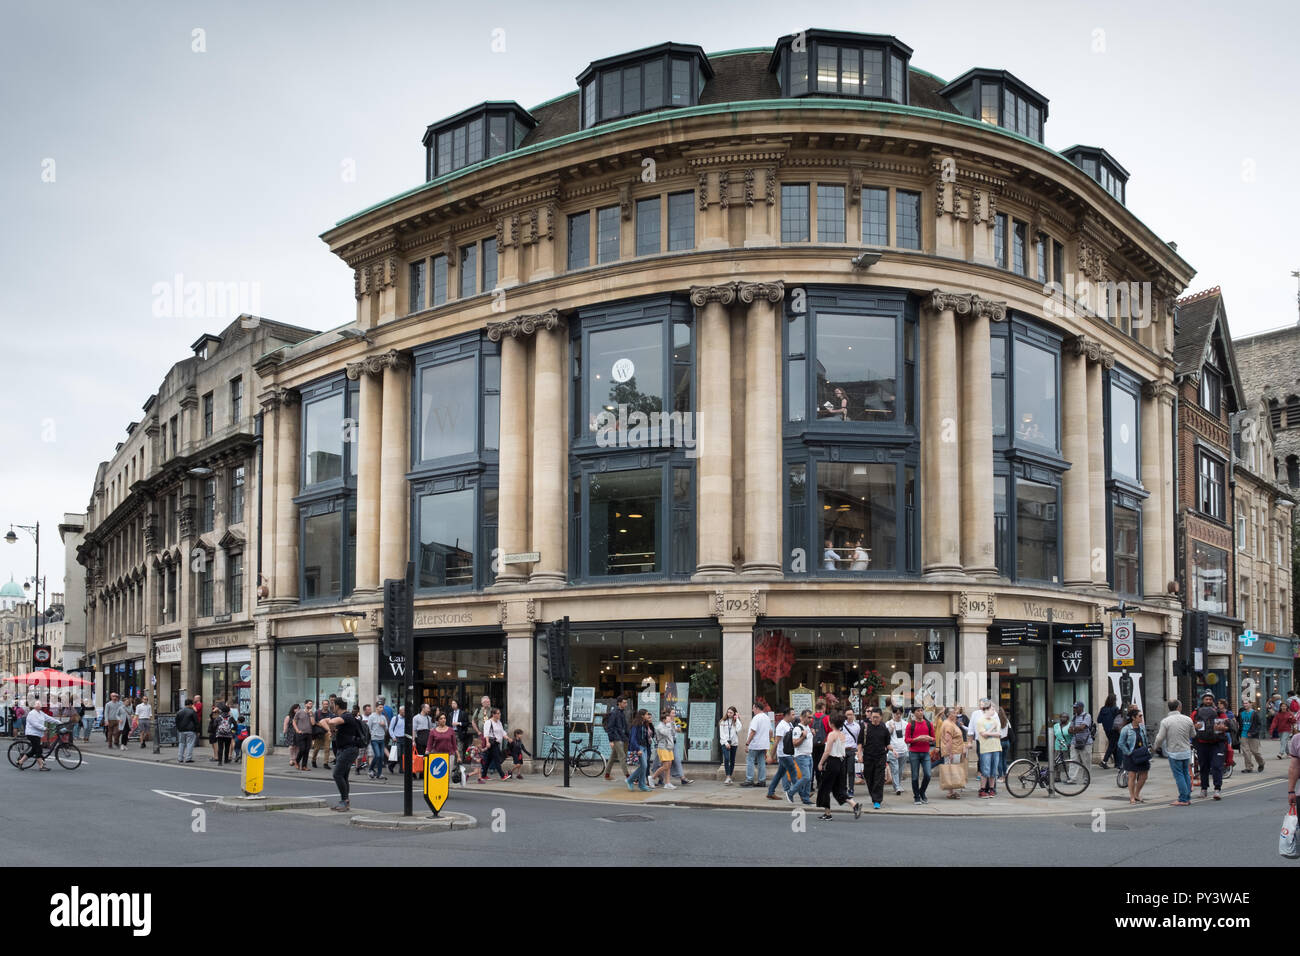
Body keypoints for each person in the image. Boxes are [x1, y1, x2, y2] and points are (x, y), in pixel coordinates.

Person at [318, 697, 367, 811]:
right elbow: (323, 722)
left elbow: (327, 721)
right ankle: (345, 801)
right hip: (344, 749)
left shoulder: (347, 716)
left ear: (337, 706)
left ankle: (344, 801)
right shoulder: (342, 717)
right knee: (343, 776)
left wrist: (329, 725)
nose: (331, 707)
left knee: (337, 774)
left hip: (349, 749)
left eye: (333, 705)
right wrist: (330, 730)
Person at [815, 714, 863, 821]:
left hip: (832, 762)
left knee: (825, 787)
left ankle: (828, 813)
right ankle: (854, 805)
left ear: (831, 723)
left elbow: (827, 751)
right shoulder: (842, 735)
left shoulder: (832, 734)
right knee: (838, 788)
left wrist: (820, 763)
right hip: (841, 762)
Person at [1154, 699, 1194, 806]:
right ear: (1179, 707)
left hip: (1174, 752)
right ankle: (1187, 797)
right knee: (1185, 773)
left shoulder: (1165, 721)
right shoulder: (1188, 719)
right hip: (1186, 751)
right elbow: (1193, 734)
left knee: (1179, 775)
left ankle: (1183, 799)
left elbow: (1160, 738)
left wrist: (1154, 747)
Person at [1193, 692, 1226, 799]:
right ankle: (1204, 789)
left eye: (1210, 699)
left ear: (1213, 701)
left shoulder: (1219, 712)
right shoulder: (1196, 712)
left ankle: (1217, 789)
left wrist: (1222, 727)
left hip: (1217, 743)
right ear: (1202, 700)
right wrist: (1195, 726)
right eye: (1206, 699)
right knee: (1203, 767)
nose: (1208, 701)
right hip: (1202, 743)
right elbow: (1190, 725)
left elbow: (1226, 724)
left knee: (1217, 766)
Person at [859, 707, 891, 809]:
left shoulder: (884, 728)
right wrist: (859, 755)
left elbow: (887, 743)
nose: (875, 719)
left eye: (877, 717)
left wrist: (893, 750)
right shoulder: (865, 728)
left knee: (879, 779)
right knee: (869, 777)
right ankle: (874, 796)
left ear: (881, 717)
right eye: (873, 717)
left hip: (881, 756)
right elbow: (859, 743)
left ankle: (877, 800)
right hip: (868, 757)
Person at [1117, 707, 1150, 804]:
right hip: (1131, 755)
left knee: (1144, 775)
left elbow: (1145, 740)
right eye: (1140, 716)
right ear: (1133, 717)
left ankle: (1137, 794)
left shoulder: (1142, 727)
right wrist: (1128, 752)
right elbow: (1120, 743)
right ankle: (1132, 797)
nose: (1141, 718)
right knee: (1132, 776)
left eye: (1141, 716)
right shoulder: (1126, 729)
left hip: (1142, 754)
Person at [767, 707, 799, 801]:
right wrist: (771, 756)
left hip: (788, 753)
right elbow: (776, 742)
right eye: (792, 714)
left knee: (779, 774)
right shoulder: (781, 726)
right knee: (793, 773)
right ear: (787, 715)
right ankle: (803, 794)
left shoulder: (789, 724)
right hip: (784, 754)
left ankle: (770, 792)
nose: (794, 716)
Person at [904, 709, 935, 805]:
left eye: (922, 710)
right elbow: (906, 739)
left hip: (926, 752)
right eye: (918, 711)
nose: (920, 712)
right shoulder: (910, 725)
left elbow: (934, 738)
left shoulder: (929, 724)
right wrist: (917, 739)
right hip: (914, 753)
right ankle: (916, 796)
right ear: (914, 713)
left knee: (928, 774)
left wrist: (930, 738)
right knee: (914, 776)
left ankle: (922, 791)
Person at [974, 698, 1003, 797]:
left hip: (996, 747)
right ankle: (982, 790)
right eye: (992, 709)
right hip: (986, 749)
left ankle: (991, 789)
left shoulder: (996, 721)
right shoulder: (980, 721)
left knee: (993, 770)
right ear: (986, 709)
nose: (994, 711)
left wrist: (989, 732)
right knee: (985, 770)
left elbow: (999, 733)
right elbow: (983, 734)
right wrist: (991, 729)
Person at [939, 706, 967, 799]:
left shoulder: (952, 723)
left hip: (956, 750)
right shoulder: (948, 724)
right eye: (954, 713)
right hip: (952, 751)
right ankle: (950, 792)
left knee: (953, 770)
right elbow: (948, 740)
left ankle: (952, 791)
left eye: (955, 712)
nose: (956, 714)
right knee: (951, 770)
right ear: (949, 714)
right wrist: (950, 753)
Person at [789, 709, 816, 805]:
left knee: (809, 779)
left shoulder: (808, 728)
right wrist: (803, 736)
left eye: (811, 717)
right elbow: (795, 743)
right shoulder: (798, 729)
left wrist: (811, 734)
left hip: (809, 755)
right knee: (806, 777)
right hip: (801, 755)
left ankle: (805, 798)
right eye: (809, 717)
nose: (810, 719)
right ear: (803, 717)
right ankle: (791, 792)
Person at [21, 699, 55, 771]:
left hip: (37, 734)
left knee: (34, 750)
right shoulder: (31, 713)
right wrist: (44, 728)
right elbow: (35, 724)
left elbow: (49, 718)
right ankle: (41, 766)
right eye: (37, 704)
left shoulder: (41, 713)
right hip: (32, 734)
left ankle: (20, 762)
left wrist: (59, 722)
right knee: (38, 749)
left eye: (40, 704)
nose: (40, 705)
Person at [743, 701, 770, 787]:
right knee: (761, 762)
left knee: (750, 760)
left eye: (753, 708)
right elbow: (771, 732)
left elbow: (753, 731)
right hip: (763, 744)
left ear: (757, 708)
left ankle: (749, 779)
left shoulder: (756, 718)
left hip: (755, 743)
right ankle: (762, 781)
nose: (752, 710)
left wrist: (747, 743)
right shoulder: (767, 717)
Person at [479, 707, 509, 782]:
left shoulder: (499, 722)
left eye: (500, 713)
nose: (500, 715)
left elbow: (502, 732)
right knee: (497, 759)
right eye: (498, 713)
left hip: (496, 743)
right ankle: (502, 775)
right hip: (492, 743)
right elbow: (486, 733)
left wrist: (507, 738)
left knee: (488, 760)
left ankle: (483, 775)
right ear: (493, 714)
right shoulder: (488, 722)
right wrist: (487, 742)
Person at [626, 710, 653, 792]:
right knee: (644, 766)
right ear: (642, 716)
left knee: (644, 767)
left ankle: (642, 785)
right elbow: (633, 738)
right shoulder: (636, 725)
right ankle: (630, 780)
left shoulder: (644, 724)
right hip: (639, 747)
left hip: (645, 747)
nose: (648, 716)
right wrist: (637, 749)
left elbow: (648, 737)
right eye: (647, 714)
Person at [605, 695, 630, 782]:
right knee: (622, 757)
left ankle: (607, 775)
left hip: (621, 737)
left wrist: (627, 737)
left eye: (626, 702)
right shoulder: (614, 712)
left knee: (612, 757)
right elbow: (610, 727)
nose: (626, 704)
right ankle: (628, 777)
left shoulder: (621, 712)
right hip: (616, 738)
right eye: (624, 702)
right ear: (619, 703)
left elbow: (624, 726)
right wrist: (611, 740)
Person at [884, 706, 908, 797]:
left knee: (900, 770)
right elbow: (886, 737)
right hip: (893, 750)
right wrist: (891, 729)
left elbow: (907, 736)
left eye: (899, 713)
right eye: (896, 713)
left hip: (903, 749)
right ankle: (897, 787)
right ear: (892, 713)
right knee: (895, 769)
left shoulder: (905, 724)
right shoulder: (888, 723)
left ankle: (898, 785)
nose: (898, 715)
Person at [1068, 701, 1094, 781]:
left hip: (1086, 742)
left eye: (1076, 707)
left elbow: (1082, 728)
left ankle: (1086, 778)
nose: (1074, 709)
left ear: (1081, 708)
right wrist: (1076, 729)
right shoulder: (1074, 717)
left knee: (1086, 761)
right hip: (1074, 741)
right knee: (1073, 760)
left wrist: (1074, 729)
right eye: (1074, 707)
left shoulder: (1087, 716)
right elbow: (1069, 730)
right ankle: (1072, 778)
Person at [1239, 698, 1266, 773]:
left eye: (1246, 703)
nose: (1245, 705)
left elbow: (1259, 725)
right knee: (1246, 751)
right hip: (1243, 734)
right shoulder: (1241, 713)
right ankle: (1249, 767)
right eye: (1244, 703)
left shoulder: (1254, 713)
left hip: (1253, 735)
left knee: (1255, 751)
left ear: (1250, 704)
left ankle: (1261, 763)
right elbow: (1240, 724)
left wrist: (1253, 732)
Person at [652, 709, 677, 790]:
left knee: (669, 765)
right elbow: (665, 733)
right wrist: (669, 725)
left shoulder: (668, 725)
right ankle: (652, 778)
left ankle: (667, 783)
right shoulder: (659, 726)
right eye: (668, 718)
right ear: (664, 720)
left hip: (669, 747)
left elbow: (673, 733)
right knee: (665, 766)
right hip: (663, 747)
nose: (669, 719)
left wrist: (673, 726)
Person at [718, 706, 741, 785]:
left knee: (732, 760)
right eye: (728, 712)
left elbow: (739, 729)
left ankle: (729, 777)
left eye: (731, 712)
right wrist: (726, 743)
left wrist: (737, 718)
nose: (729, 714)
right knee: (727, 759)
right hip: (725, 743)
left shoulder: (735, 722)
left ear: (734, 713)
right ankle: (727, 776)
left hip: (734, 743)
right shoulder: (723, 722)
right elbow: (722, 734)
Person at [1097, 693, 1121, 770]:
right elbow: (1118, 719)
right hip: (1114, 729)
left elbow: (1099, 720)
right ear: (1114, 701)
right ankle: (1104, 761)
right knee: (1112, 745)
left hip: (1107, 730)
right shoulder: (1115, 708)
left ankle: (1117, 763)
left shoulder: (1103, 709)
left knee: (1114, 745)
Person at [841, 708, 862, 798]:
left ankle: (851, 789)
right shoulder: (841, 726)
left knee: (851, 771)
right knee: (842, 771)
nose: (850, 716)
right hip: (842, 750)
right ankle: (844, 788)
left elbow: (858, 739)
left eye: (851, 714)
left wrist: (858, 751)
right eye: (848, 714)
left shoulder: (857, 726)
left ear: (854, 715)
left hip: (852, 750)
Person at [366, 703, 389, 780]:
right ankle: (370, 769)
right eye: (380, 707)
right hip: (374, 739)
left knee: (381, 757)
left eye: (382, 707)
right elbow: (368, 727)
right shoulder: (372, 716)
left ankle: (379, 774)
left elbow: (386, 729)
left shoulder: (383, 717)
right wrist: (372, 735)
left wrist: (384, 725)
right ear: (376, 708)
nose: (382, 708)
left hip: (382, 738)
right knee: (377, 755)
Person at [292, 700, 314, 771]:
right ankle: (297, 761)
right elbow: (294, 722)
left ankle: (304, 766)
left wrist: (310, 714)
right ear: (305, 704)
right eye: (309, 704)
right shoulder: (299, 712)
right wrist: (297, 730)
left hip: (309, 734)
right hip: (301, 734)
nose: (311, 705)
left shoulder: (312, 713)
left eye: (311, 704)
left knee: (307, 750)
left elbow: (313, 723)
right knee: (302, 749)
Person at [310, 699, 332, 770]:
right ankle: (313, 760)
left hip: (327, 733)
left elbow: (331, 722)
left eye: (327, 704)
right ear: (322, 705)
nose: (326, 705)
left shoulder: (330, 713)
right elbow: (315, 722)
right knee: (316, 748)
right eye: (324, 704)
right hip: (319, 733)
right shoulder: (317, 712)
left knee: (327, 748)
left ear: (328, 705)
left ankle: (326, 763)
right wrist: (323, 725)